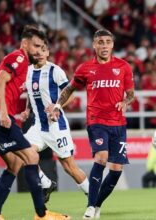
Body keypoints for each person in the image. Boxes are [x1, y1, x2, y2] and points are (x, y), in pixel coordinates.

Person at [0, 27, 70, 220]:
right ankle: (42, 214)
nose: (38, 51)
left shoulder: (15, 65)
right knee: (31, 156)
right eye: (35, 46)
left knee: (14, 163)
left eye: (41, 47)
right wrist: (4, 113)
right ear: (25, 44)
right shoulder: (19, 58)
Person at [47, 29, 135, 219]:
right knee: (101, 158)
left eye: (107, 42)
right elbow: (69, 89)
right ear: (94, 45)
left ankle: (96, 205)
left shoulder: (123, 66)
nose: (104, 46)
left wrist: (125, 102)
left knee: (116, 171)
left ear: (112, 45)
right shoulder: (85, 68)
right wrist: (57, 106)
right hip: (97, 121)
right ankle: (89, 207)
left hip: (118, 123)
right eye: (100, 42)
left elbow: (131, 93)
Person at [19, 42, 90, 203]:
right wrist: (28, 110)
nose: (39, 53)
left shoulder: (55, 71)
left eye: (43, 50)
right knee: (23, 152)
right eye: (36, 50)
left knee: (69, 167)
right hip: (38, 125)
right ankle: (47, 183)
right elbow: (32, 93)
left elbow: (70, 95)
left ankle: (93, 196)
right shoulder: (28, 71)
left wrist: (57, 107)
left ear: (48, 53)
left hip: (56, 126)